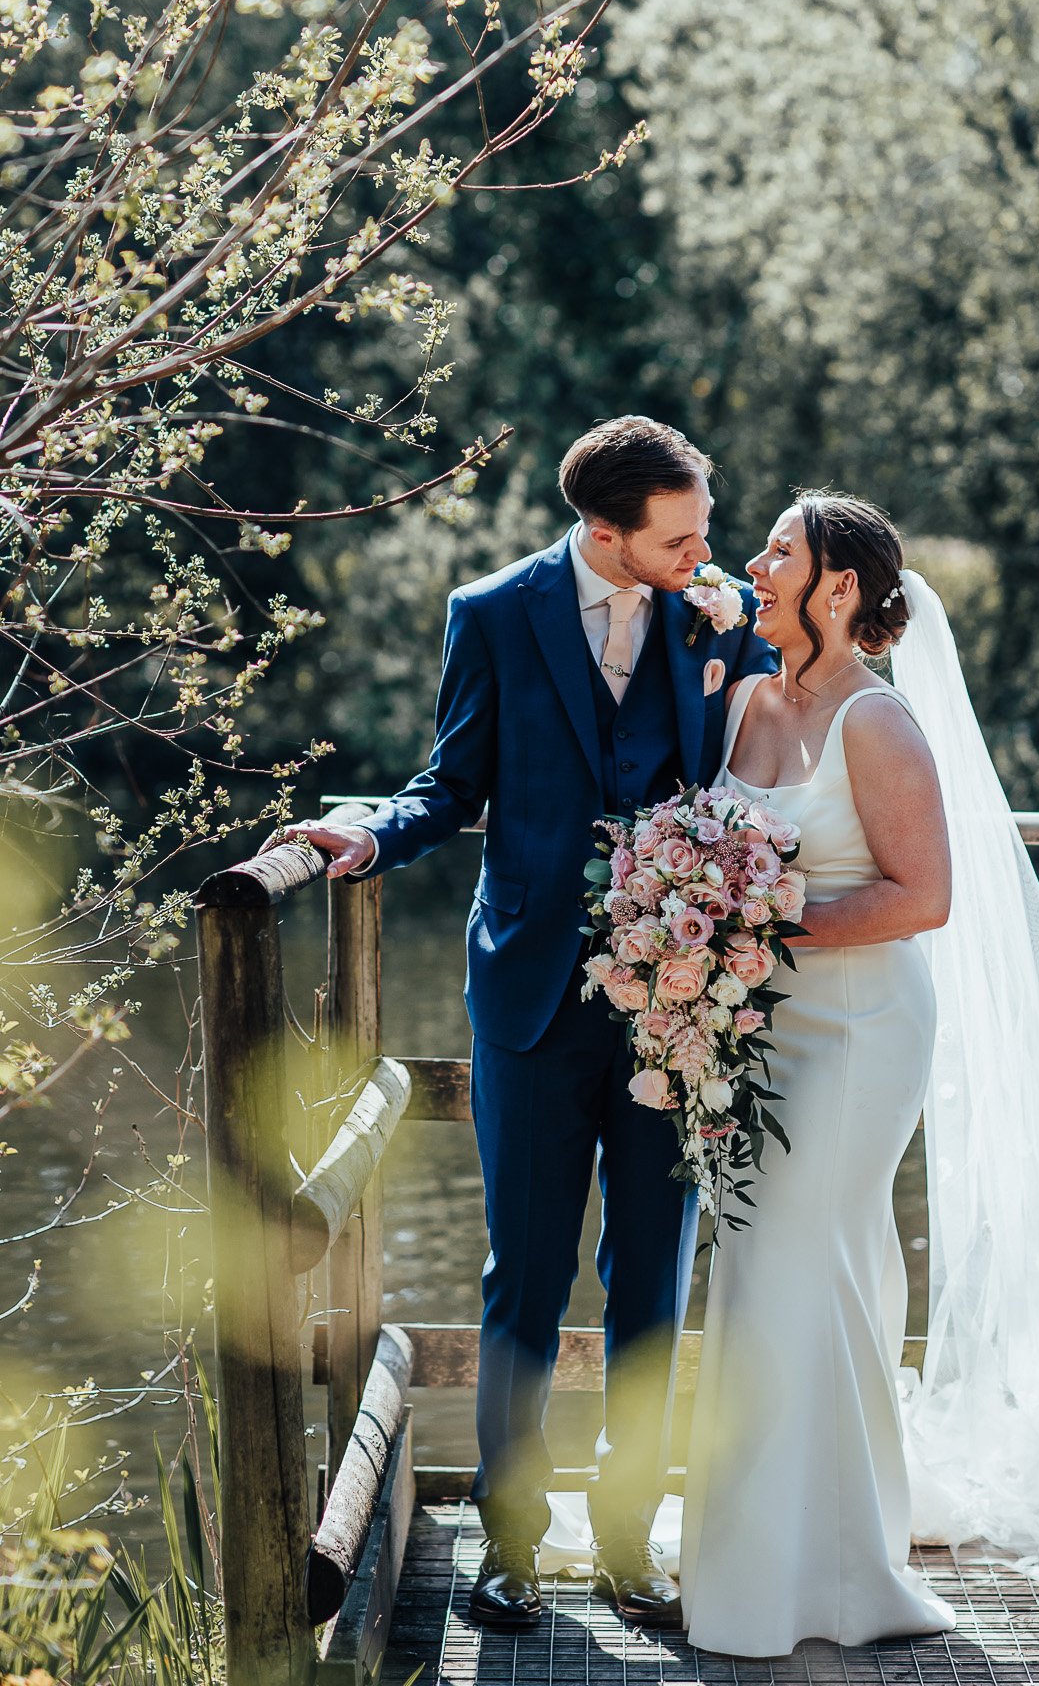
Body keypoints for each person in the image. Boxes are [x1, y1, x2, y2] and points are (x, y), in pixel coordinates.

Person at [282, 417, 776, 1634]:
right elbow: (452, 782)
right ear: (605, 531)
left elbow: (768, 753)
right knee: (526, 1277)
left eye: (704, 533)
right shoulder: (495, 612)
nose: (704, 555)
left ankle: (628, 1536)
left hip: (679, 998)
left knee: (652, 1276)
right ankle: (510, 1541)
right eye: (681, 536)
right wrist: (369, 833)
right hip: (530, 991)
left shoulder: (714, 615)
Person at [678, 492, 1039, 1657]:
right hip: (757, 1030)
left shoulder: (877, 721)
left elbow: (925, 897)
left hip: (860, 1030)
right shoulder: (747, 698)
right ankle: (767, 1553)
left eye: (780, 550)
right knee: (780, 1266)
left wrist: (757, 923)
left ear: (838, 587)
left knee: (796, 1257)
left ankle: (834, 1577)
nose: (755, 563)